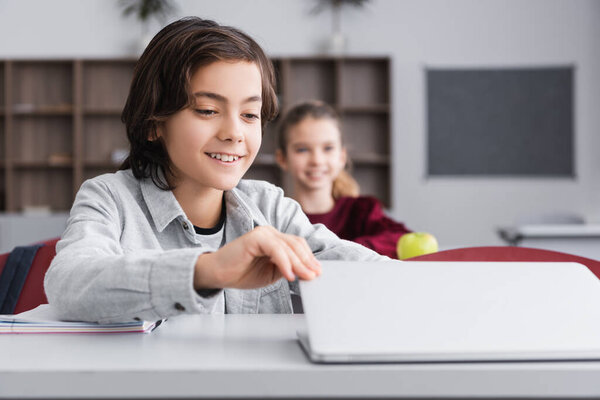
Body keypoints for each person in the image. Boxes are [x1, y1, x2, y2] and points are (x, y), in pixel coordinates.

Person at [44, 17, 388, 324]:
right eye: (208, 110)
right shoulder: (110, 198)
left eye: (250, 115)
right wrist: (209, 270)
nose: (234, 132)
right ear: (153, 124)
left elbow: (361, 268)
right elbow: (68, 285)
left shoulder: (271, 208)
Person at [275, 100, 411, 259]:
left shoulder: (362, 211)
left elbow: (401, 239)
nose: (317, 160)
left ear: (342, 156)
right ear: (282, 158)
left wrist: (340, 250)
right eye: (302, 149)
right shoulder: (277, 216)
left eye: (328, 148)